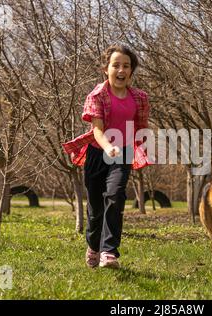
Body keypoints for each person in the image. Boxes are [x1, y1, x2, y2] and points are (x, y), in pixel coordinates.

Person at [62, 45, 152, 269]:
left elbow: (141, 126)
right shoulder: (97, 95)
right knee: (95, 210)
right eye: (116, 65)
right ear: (106, 69)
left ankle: (109, 252)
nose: (121, 70)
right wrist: (108, 147)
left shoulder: (140, 98)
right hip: (98, 153)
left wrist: (140, 146)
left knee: (115, 195)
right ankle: (93, 246)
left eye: (126, 66)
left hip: (122, 153)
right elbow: (97, 130)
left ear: (131, 71)